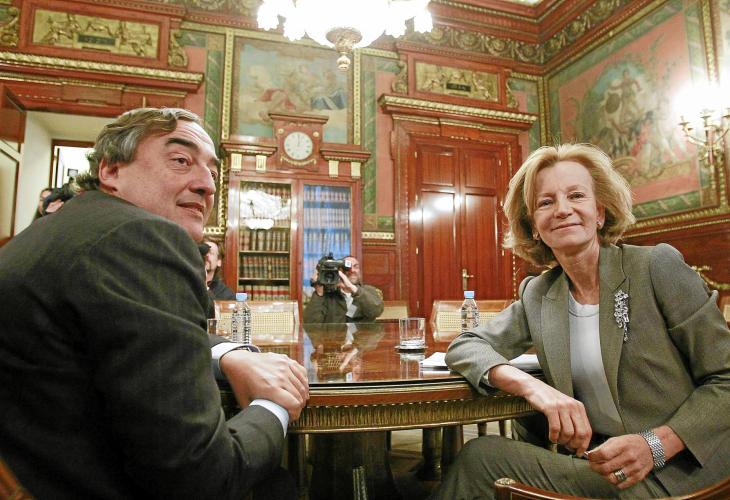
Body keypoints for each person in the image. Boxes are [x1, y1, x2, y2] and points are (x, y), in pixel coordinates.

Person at [0, 108, 309, 499]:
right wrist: (275, 404)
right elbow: (202, 477)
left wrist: (229, 355)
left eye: (213, 173)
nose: (207, 185)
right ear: (111, 170)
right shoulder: (141, 236)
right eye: (180, 161)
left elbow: (137, 333)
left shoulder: (62, 231)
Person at [436, 143, 730, 499]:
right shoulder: (539, 293)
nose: (562, 210)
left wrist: (654, 445)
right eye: (546, 202)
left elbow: (725, 377)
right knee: (479, 457)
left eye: (576, 195)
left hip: (686, 467)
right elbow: (466, 345)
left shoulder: (655, 267)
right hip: (603, 464)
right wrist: (534, 388)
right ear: (534, 227)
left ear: (599, 212)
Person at [302, 255, 384, 324]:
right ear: (339, 271)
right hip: (335, 338)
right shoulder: (327, 295)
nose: (352, 270)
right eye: (347, 268)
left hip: (361, 338)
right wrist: (319, 293)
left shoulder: (369, 291)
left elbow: (376, 311)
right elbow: (310, 324)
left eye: (356, 267)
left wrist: (353, 289)